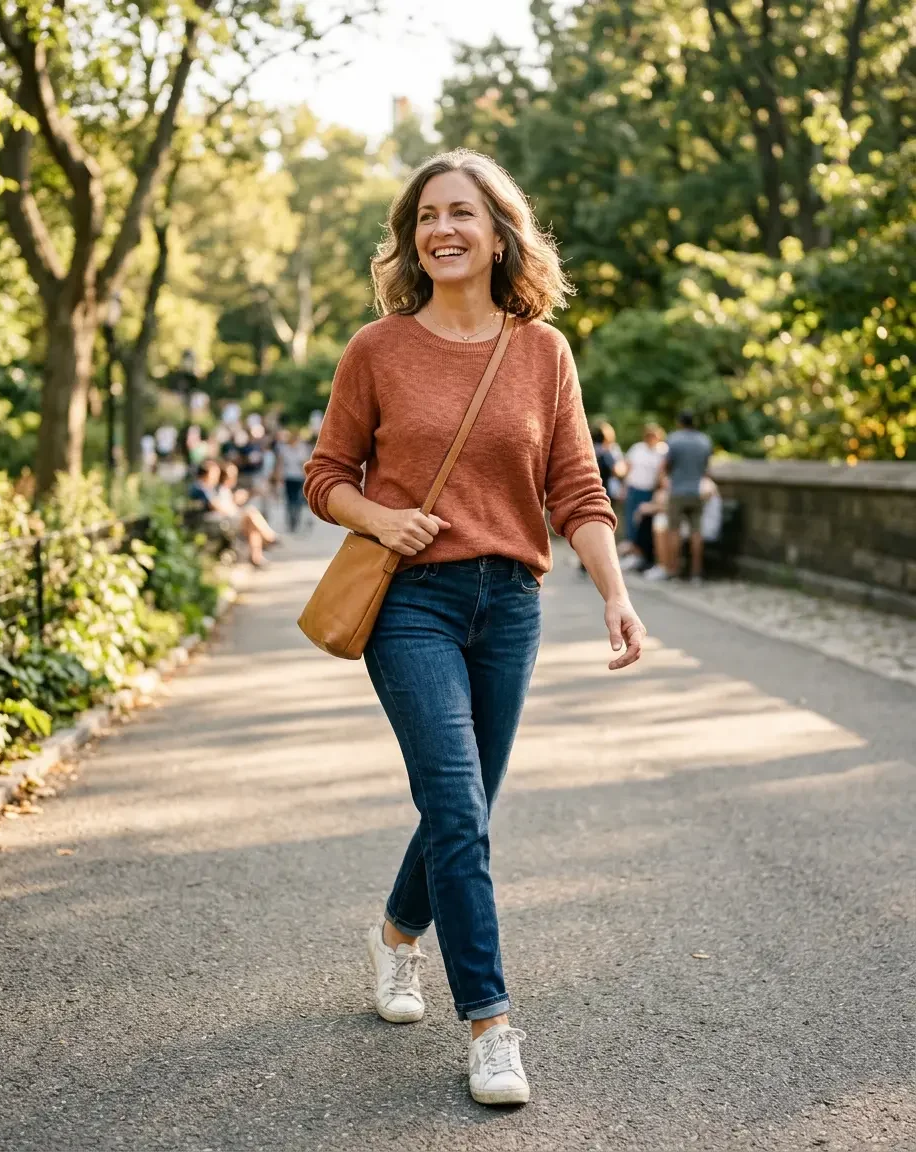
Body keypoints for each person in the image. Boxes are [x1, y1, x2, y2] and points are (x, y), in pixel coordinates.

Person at [303, 148, 646, 1107]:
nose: (441, 230)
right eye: (425, 217)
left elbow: (576, 489)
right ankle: (491, 1025)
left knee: (467, 806)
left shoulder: (543, 353)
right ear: (411, 239)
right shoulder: (377, 349)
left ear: (500, 235)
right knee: (457, 808)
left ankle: (395, 935)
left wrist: (616, 595)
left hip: (511, 607)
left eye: (460, 213)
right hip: (410, 604)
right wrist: (382, 518)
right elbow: (325, 476)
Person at [661, 410, 713, 583]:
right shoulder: (704, 440)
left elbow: (666, 465)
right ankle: (696, 572)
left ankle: (674, 571)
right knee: (696, 532)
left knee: (674, 530)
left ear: (680, 422)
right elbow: (706, 467)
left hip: (677, 491)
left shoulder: (674, 439)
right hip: (697, 492)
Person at [619, 424, 666, 569]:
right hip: (634, 488)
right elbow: (628, 467)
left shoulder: (663, 451)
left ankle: (643, 554)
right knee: (631, 521)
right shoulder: (637, 448)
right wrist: (624, 487)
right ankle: (632, 553)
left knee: (643, 523)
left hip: (650, 491)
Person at [216, 461, 278, 567]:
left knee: (252, 525)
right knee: (250, 513)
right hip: (225, 521)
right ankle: (269, 537)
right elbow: (223, 508)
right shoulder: (219, 490)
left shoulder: (227, 490)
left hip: (232, 519)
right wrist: (235, 502)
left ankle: (256, 557)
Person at [277, 426, 313, 533]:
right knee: (289, 500)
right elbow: (280, 463)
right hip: (288, 477)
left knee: (297, 500)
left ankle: (296, 520)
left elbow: (305, 463)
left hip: (299, 477)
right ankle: (290, 520)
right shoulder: (284, 449)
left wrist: (307, 478)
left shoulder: (302, 448)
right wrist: (279, 476)